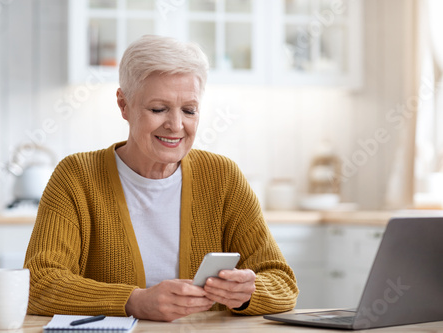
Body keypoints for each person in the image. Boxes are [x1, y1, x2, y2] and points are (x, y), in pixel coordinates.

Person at [24, 35, 298, 322]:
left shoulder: (223, 177)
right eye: (158, 109)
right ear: (124, 105)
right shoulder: (77, 176)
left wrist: (247, 294)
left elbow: (282, 282)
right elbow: (38, 284)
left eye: (189, 110)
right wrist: (134, 301)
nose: (176, 125)